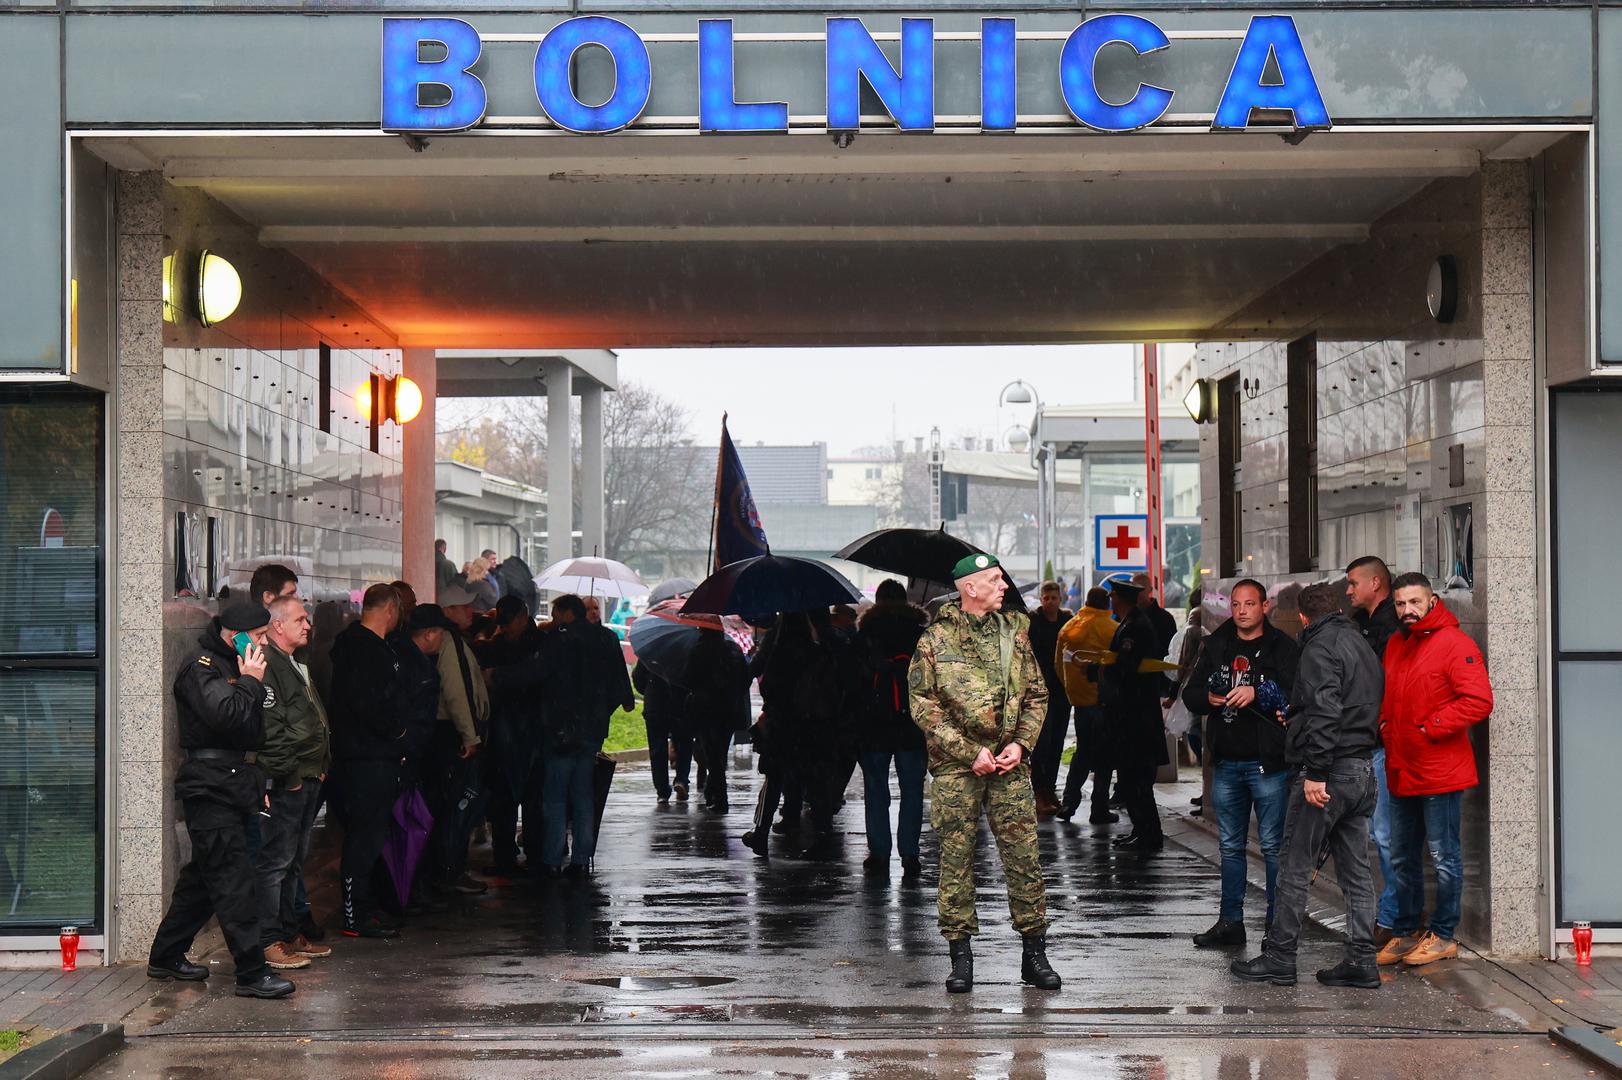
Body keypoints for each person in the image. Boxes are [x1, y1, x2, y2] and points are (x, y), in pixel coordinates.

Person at [909, 552, 1059, 995]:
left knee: (1024, 856)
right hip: (958, 768)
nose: (1005, 586)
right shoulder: (935, 640)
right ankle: (960, 958)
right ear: (969, 588)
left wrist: (1021, 744)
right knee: (956, 860)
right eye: (994, 580)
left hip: (1009, 766)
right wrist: (968, 750)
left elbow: (1036, 695)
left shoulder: (1016, 633)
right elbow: (923, 705)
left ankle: (1034, 955)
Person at [1231, 583, 1384, 989]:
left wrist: (1315, 771)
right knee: (1355, 872)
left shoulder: (1319, 648)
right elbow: (1346, 705)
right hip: (1362, 769)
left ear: (1302, 617)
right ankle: (1362, 961)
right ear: (1337, 609)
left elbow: (1327, 711)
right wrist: (1299, 719)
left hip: (1328, 772)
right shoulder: (1360, 644)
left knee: (1294, 865)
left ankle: (1280, 956)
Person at [147, 600, 294, 1000]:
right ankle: (251, 972)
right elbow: (225, 715)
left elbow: (251, 732)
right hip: (209, 787)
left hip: (234, 783)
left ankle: (165, 955)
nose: (264, 643)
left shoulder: (237, 665)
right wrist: (250, 681)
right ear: (237, 634)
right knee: (234, 882)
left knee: (206, 880)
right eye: (260, 636)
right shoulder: (203, 667)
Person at [1375, 572, 1494, 968]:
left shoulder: (1455, 643)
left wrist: (1430, 727)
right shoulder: (1395, 643)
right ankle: (1406, 931)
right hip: (1402, 767)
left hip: (1440, 770)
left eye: (1413, 602)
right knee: (1402, 856)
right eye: (1400, 604)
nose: (1407, 611)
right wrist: (1386, 726)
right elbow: (1388, 696)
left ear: (1431, 601)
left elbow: (1478, 700)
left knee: (1444, 856)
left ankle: (1443, 934)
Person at [1182, 580, 1300, 947]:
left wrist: (1258, 692)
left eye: (1250, 604)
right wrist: (1212, 698)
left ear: (1265, 606)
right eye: (1236, 604)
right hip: (1228, 763)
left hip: (1268, 763)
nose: (1243, 611)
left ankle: (1275, 926)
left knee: (1271, 846)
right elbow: (1191, 693)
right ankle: (1230, 922)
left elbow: (1297, 694)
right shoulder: (1216, 644)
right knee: (1230, 847)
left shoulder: (1283, 646)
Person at [254, 595, 333, 971]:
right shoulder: (270, 664)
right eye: (300, 619)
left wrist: (320, 766)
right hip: (291, 779)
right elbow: (272, 728)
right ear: (277, 625)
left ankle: (288, 933)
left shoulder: (294, 662)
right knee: (276, 863)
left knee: (294, 863)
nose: (308, 625)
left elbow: (311, 718)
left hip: (307, 774)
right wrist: (290, 777)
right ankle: (269, 940)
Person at [327, 583, 407, 940]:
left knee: (368, 836)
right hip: (368, 757)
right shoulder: (369, 651)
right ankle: (355, 915)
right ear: (390, 609)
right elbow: (373, 705)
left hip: (359, 754)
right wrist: (398, 732)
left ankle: (362, 907)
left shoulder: (349, 646)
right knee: (365, 837)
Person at [537, 594, 631, 876]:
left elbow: (539, 674)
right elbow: (619, 684)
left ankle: (552, 859)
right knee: (583, 794)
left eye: (555, 614)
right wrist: (601, 712)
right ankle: (581, 858)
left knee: (555, 796)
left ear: (566, 614)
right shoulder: (607, 639)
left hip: (561, 731)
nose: (553, 620)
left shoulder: (558, 640)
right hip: (592, 731)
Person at [1344, 555, 1405, 949]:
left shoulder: (1388, 628)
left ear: (1376, 582)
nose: (1349, 590)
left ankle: (1393, 919)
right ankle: (1386, 916)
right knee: (1378, 835)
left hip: (1382, 743)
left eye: (1354, 583)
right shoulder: (1363, 624)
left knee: (1386, 837)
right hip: (1370, 742)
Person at [855, 579, 930, 882]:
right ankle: (910, 853)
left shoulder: (867, 634)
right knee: (912, 790)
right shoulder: (920, 635)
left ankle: (879, 852)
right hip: (913, 723)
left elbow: (855, 679)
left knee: (876, 789)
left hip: (874, 723)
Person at [1098, 579, 1168, 852]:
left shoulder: (1135, 627)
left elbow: (1128, 667)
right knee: (1131, 781)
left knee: (1137, 782)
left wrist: (1104, 668)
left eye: (1114, 596)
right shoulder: (1130, 623)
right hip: (1131, 717)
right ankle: (1141, 831)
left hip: (1136, 720)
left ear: (1121, 599)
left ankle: (1149, 834)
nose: (1111, 601)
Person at [431, 584, 491, 896]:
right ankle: (450, 871)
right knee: (458, 806)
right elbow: (456, 692)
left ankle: (452, 869)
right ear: (448, 612)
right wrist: (470, 736)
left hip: (455, 731)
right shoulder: (449, 641)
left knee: (459, 806)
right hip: (454, 734)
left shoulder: (455, 640)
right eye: (463, 607)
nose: (471, 611)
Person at [478, 596, 544, 874]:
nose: (505, 629)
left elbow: (536, 674)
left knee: (532, 794)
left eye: (508, 623)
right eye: (501, 624)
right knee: (504, 794)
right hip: (504, 727)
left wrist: (499, 677)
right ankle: (504, 853)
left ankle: (535, 851)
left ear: (522, 617)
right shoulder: (499, 643)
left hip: (532, 728)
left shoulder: (540, 643)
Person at [1055, 587, 1119, 826]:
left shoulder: (1069, 628)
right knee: (1104, 758)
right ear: (1107, 605)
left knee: (1082, 753)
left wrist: (1073, 692)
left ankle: (1068, 803)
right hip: (1106, 703)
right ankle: (1099, 808)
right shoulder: (1113, 630)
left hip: (1080, 703)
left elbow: (1058, 666)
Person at [686, 623, 751, 814]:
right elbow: (745, 679)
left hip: (706, 710)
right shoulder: (734, 649)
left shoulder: (698, 651)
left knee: (712, 753)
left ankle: (720, 798)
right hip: (729, 710)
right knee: (720, 751)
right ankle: (711, 791)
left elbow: (687, 678)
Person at [1026, 581, 1073, 816]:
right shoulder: (1033, 622)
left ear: (1060, 598)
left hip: (1062, 687)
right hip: (1040, 688)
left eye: (1054, 598)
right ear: (1041, 599)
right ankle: (1040, 789)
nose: (1050, 602)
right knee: (1041, 742)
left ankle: (1051, 787)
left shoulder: (1067, 621)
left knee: (1057, 740)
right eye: (1047, 598)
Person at [634, 659, 691, 806]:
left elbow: (637, 677)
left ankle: (662, 791)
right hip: (680, 705)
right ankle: (681, 780)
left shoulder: (651, 653)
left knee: (657, 749)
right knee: (684, 744)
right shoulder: (684, 653)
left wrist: (649, 690)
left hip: (655, 706)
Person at [1130, 571, 1178, 656]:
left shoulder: (1165, 618)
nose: (1138, 592)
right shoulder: (1127, 616)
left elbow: (1172, 649)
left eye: (1142, 588)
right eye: (1134, 588)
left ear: (1150, 590)